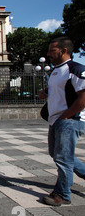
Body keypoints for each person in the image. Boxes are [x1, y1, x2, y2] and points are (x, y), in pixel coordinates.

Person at [39, 37, 85, 206]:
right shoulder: (55, 71)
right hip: (56, 120)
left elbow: (83, 98)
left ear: (63, 51)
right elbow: (58, 91)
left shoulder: (76, 69)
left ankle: (62, 194)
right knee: (57, 154)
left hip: (70, 119)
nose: (48, 54)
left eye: (52, 50)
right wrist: (45, 93)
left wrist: (66, 116)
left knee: (63, 159)